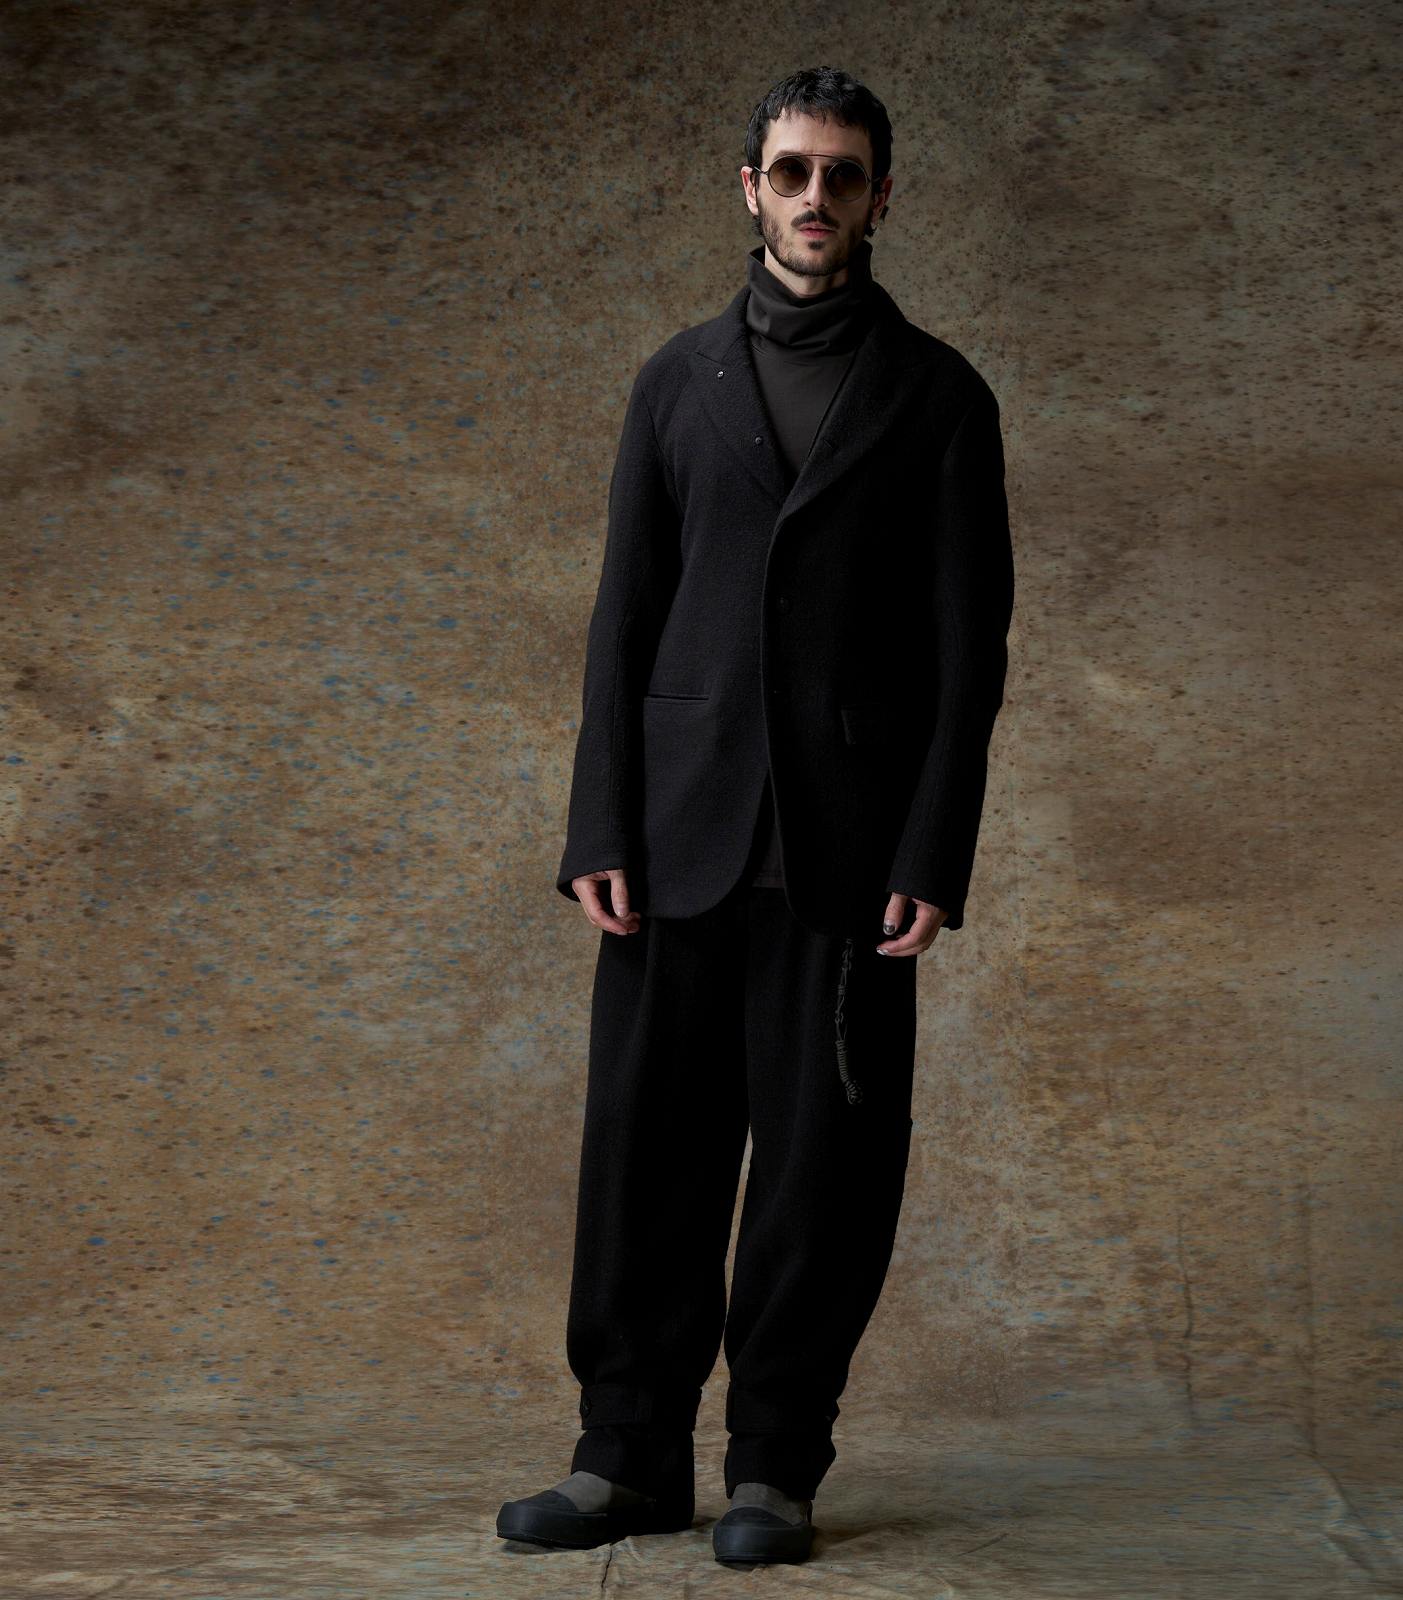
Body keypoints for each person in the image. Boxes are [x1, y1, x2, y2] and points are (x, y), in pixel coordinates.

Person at [496, 65, 1014, 1568]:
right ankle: (624, 1457)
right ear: (750, 187)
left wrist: (933, 849)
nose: (815, 197)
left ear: (880, 197)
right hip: (673, 838)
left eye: (842, 174)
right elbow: (623, 618)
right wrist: (599, 824)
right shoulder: (674, 382)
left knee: (818, 1173)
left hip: (849, 853)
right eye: (791, 171)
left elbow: (969, 653)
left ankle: (775, 1468)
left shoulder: (939, 398)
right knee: (644, 1154)